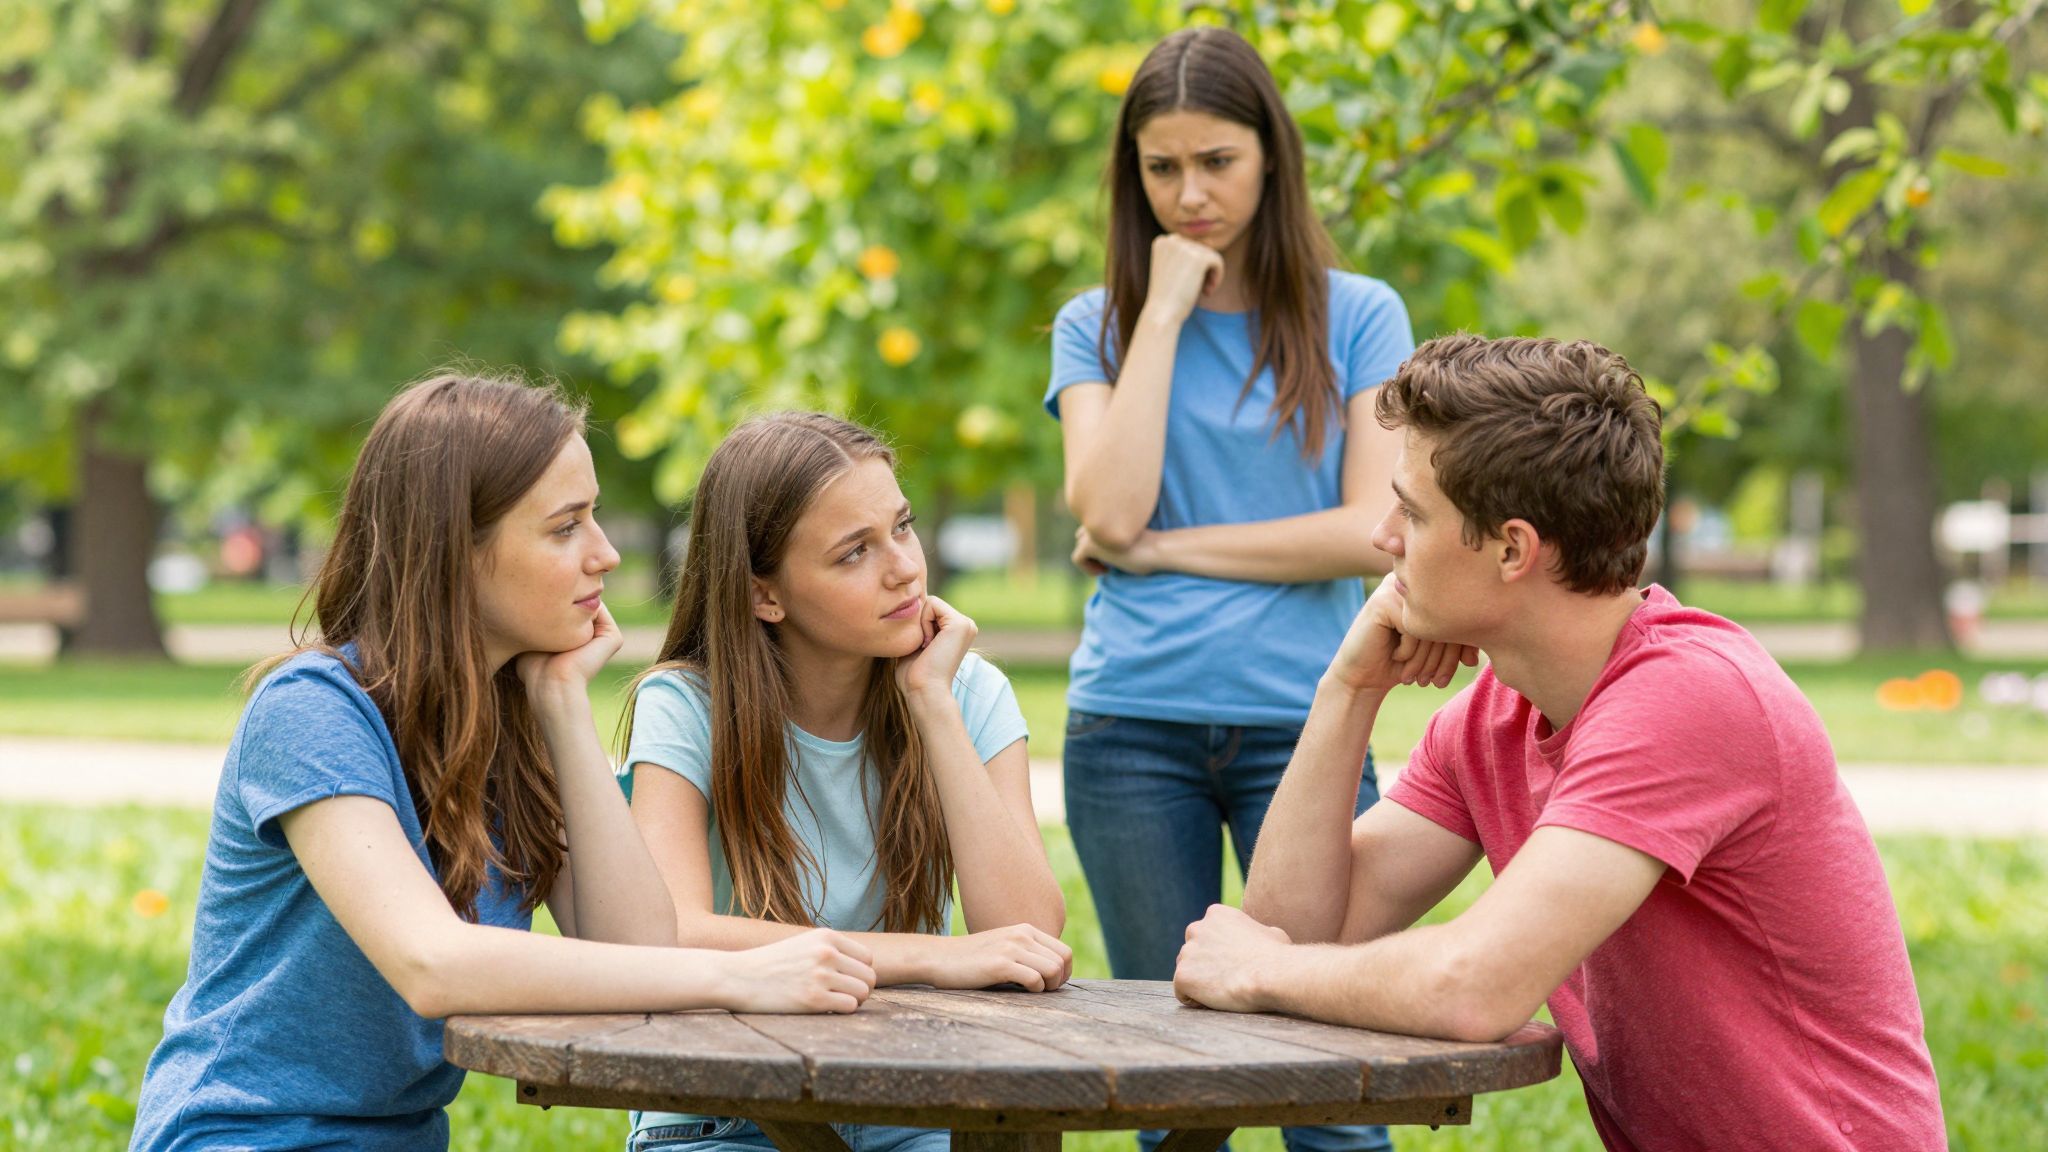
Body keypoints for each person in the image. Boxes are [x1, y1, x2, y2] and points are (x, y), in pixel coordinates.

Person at [1174, 335, 1947, 1151]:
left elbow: (1472, 988)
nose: (1381, 536)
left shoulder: (1688, 697)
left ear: (1513, 549)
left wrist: (1260, 971)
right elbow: (1295, 933)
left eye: (1414, 512)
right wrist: (1348, 691)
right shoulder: (1495, 718)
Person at [130, 375, 877, 1152]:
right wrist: (738, 976)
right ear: (458, 551)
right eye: (566, 528)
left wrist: (563, 707)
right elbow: (433, 964)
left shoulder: (513, 727)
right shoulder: (313, 711)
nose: (606, 554)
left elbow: (638, 950)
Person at [1044, 25, 1411, 1152]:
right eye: (1162, 168)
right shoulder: (1094, 325)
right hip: (1130, 728)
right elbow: (1109, 512)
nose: (1190, 194)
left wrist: (1166, 552)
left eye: (1217, 162)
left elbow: (1370, 530)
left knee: (1330, 1074)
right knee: (1176, 1090)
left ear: (1269, 158)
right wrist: (1160, 312)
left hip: (1305, 728)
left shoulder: (1360, 314)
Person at [622, 412, 1071, 1152]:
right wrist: (929, 956)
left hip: (911, 1101)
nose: (904, 568)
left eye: (903, 527)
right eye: (854, 552)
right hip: (726, 1111)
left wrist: (933, 702)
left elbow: (1029, 934)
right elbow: (673, 933)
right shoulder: (687, 706)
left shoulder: (967, 693)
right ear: (764, 595)